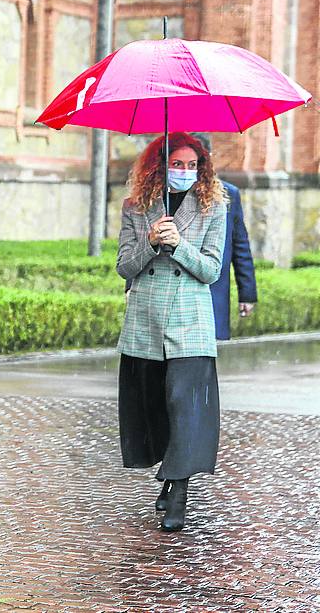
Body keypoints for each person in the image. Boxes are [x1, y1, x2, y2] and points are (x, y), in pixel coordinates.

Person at [116, 131, 227, 532]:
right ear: (160, 166)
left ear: (202, 169)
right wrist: (149, 241)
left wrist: (179, 244)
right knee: (155, 406)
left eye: (191, 165)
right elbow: (124, 267)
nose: (184, 172)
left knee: (184, 405)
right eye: (176, 164)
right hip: (146, 320)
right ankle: (168, 470)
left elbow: (212, 270)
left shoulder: (213, 207)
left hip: (190, 321)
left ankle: (179, 489)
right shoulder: (136, 207)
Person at [190, 133, 258, 340]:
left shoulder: (228, 194)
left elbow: (239, 246)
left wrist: (247, 294)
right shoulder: (165, 192)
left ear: (209, 156)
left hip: (214, 288)